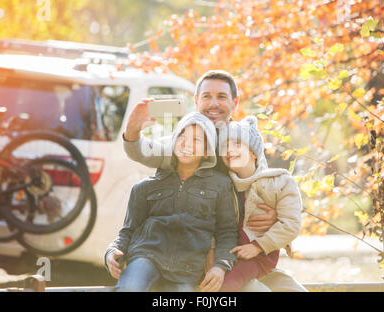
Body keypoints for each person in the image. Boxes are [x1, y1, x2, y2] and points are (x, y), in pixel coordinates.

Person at [107, 69, 307, 292]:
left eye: (221, 97)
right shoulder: (184, 142)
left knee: (287, 288)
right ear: (196, 101)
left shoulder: (242, 139)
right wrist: (133, 131)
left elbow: (269, 191)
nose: (213, 104)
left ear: (235, 102)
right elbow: (143, 151)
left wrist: (274, 221)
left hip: (242, 249)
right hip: (193, 253)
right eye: (206, 96)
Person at [106, 112, 238, 292]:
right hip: (146, 257)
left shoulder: (221, 185)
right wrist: (112, 251)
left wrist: (221, 266)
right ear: (174, 141)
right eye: (182, 136)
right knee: (131, 288)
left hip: (188, 268)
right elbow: (127, 231)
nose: (187, 143)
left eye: (197, 140)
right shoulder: (144, 187)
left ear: (207, 151)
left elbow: (227, 232)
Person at [217, 116, 302, 292]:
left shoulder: (280, 181)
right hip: (229, 257)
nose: (229, 150)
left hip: (260, 257)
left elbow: (291, 224)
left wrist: (258, 247)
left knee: (229, 285)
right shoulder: (222, 185)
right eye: (225, 146)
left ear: (254, 152)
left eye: (237, 144)